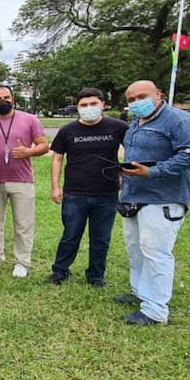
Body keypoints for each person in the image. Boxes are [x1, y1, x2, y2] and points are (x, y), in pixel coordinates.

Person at [115, 80, 190, 326]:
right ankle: (140, 292)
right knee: (135, 248)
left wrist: (153, 172)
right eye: (131, 99)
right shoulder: (136, 122)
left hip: (163, 197)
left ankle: (155, 309)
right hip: (134, 196)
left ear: (158, 94)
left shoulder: (180, 120)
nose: (135, 102)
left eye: (141, 96)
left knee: (156, 252)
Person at [48, 88, 129, 287]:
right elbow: (58, 159)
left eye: (93, 104)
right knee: (70, 235)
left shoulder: (118, 127)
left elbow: (133, 151)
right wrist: (55, 187)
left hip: (107, 193)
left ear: (103, 104)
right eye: (84, 105)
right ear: (78, 107)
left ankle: (96, 275)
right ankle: (60, 271)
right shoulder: (67, 131)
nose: (89, 108)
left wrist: (125, 176)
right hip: (75, 193)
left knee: (101, 238)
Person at [0, 85, 48, 278]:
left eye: (6, 97)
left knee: (24, 224)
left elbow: (44, 145)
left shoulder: (30, 120)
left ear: (13, 99)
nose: (2, 101)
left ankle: (22, 262)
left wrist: (29, 151)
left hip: (22, 181)